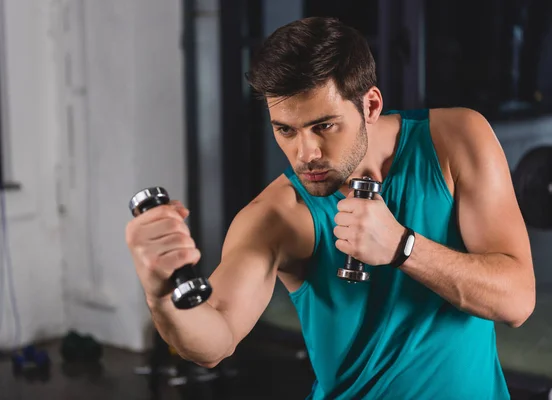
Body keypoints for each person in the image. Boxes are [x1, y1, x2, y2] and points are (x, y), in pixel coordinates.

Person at [125, 17, 535, 399]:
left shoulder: (455, 141)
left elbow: (516, 301)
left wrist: (402, 247)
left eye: (324, 126)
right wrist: (161, 296)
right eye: (285, 130)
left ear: (371, 106)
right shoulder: (276, 216)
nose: (306, 153)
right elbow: (214, 341)